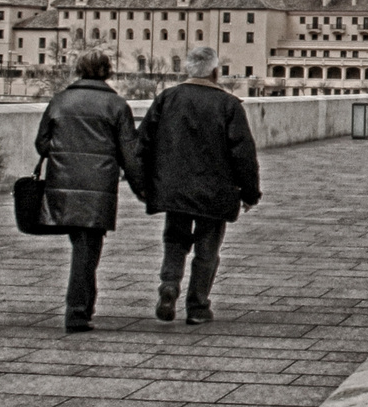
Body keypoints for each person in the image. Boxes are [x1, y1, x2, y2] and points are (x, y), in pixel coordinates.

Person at [138, 46, 260, 325]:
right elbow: (243, 154)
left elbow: (143, 142)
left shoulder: (167, 98)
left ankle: (169, 284)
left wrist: (144, 183)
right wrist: (250, 193)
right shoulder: (229, 105)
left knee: (175, 240)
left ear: (188, 70)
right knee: (208, 249)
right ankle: (198, 306)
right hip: (216, 190)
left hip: (175, 187)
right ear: (216, 72)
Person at [35, 51, 144, 333]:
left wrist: (65, 155)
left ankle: (84, 304)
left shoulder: (60, 100)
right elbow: (129, 153)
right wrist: (142, 188)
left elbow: (42, 143)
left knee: (83, 245)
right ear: (107, 71)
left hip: (63, 182)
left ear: (79, 70)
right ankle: (77, 311)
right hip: (98, 187)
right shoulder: (117, 105)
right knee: (87, 248)